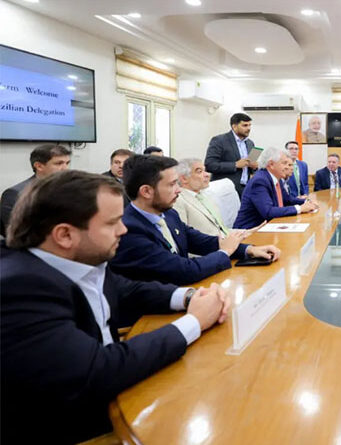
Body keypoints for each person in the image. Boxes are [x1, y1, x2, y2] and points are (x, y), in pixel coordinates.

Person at [0, 170, 231, 444]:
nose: (124, 229)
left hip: (114, 398)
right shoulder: (20, 288)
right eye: (113, 223)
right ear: (64, 234)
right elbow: (97, 369)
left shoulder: (81, 259)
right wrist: (194, 322)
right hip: (75, 428)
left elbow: (129, 289)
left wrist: (191, 296)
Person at [110, 155, 279, 285]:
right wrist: (224, 253)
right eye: (172, 185)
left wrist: (248, 250)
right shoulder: (130, 229)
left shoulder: (169, 214)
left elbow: (201, 242)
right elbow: (183, 270)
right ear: (146, 191)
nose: (178, 190)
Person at [234, 147, 319, 229]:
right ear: (271, 164)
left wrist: (307, 202)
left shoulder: (275, 178)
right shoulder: (260, 181)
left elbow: (287, 200)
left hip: (269, 226)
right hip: (249, 232)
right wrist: (300, 208)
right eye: (284, 163)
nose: (287, 167)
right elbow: (268, 212)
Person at [1, 144, 71, 237]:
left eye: (67, 163)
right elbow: (15, 233)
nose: (65, 168)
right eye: (59, 163)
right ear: (39, 166)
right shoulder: (16, 193)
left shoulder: (71, 189)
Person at [174, 158, 241, 238]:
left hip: (226, 241)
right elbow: (183, 237)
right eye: (199, 172)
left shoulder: (205, 196)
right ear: (184, 179)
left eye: (205, 170)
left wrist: (244, 232)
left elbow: (220, 229)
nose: (207, 174)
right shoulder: (178, 200)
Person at [204, 113, 259, 199]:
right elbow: (210, 165)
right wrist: (235, 165)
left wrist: (254, 167)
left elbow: (252, 169)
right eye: (245, 125)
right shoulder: (219, 140)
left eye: (249, 125)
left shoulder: (250, 143)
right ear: (234, 126)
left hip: (246, 189)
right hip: (225, 190)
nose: (248, 128)